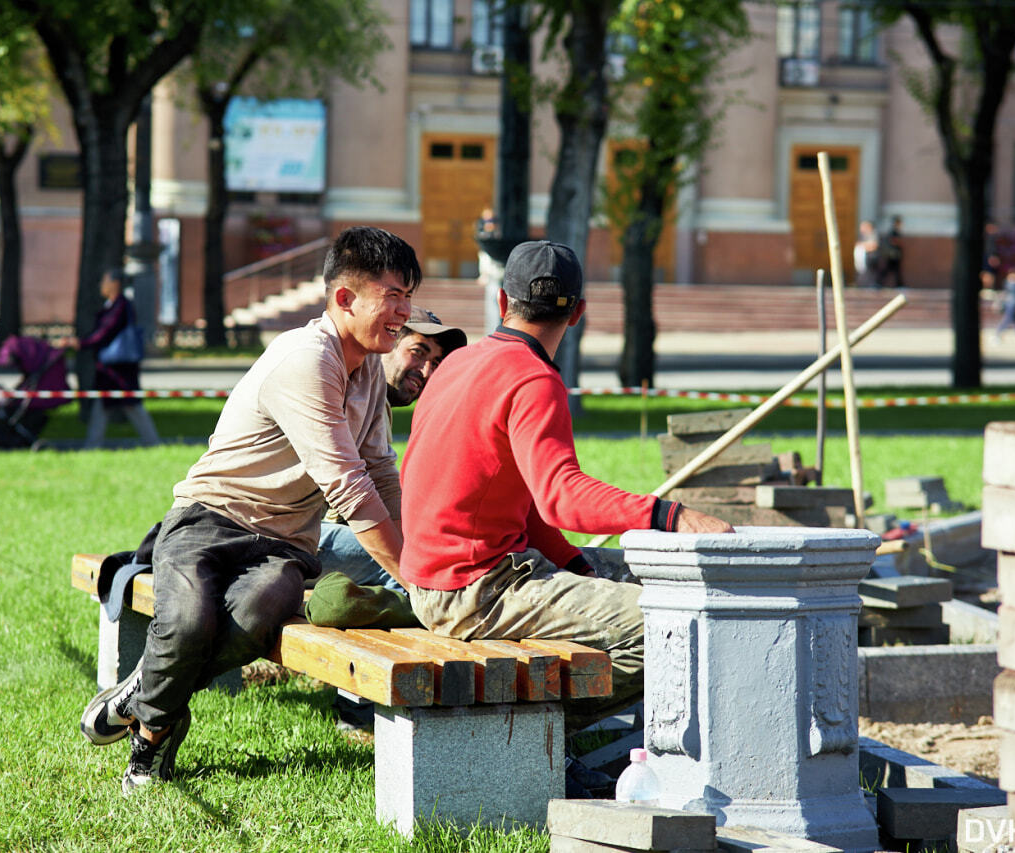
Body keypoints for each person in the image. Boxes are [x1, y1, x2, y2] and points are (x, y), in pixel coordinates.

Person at [78, 226, 421, 794]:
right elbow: (348, 485)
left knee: (259, 615)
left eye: (408, 295)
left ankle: (144, 695)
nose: (404, 311)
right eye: (393, 296)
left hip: (285, 544)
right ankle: (151, 745)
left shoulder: (366, 371)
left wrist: (418, 551)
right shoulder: (306, 359)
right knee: (188, 621)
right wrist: (414, 575)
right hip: (209, 520)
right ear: (344, 298)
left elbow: (381, 472)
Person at [397, 240, 734, 740]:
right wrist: (670, 515)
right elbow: (561, 497)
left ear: (503, 303)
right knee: (677, 627)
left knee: (632, 593)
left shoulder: (456, 365)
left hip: (432, 581)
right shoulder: (532, 378)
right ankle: (525, 739)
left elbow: (524, 504)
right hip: (475, 592)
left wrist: (577, 566)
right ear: (578, 314)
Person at [315, 305, 468, 591]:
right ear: (386, 345)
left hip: (310, 534)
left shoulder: (375, 401)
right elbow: (348, 499)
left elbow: (384, 486)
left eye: (435, 363)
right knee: (426, 569)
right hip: (282, 535)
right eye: (418, 353)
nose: (426, 372)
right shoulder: (350, 390)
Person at [64, 268, 160, 449]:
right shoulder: (112, 305)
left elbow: (105, 331)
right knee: (104, 404)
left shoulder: (121, 305)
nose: (101, 285)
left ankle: (152, 443)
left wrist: (82, 343)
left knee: (130, 404)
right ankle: (93, 445)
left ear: (115, 284)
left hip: (120, 366)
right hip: (110, 367)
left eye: (104, 281)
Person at [993, 267, 1015, 343]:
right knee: (1007, 320)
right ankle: (998, 335)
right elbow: (1006, 293)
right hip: (1009, 304)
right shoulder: (1008, 283)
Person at [853, 220, 882, 289]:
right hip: (865, 257)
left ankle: (871, 285)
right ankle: (864, 284)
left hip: (873, 256)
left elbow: (874, 245)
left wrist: (864, 246)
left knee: (872, 272)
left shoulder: (874, 234)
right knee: (864, 271)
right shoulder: (863, 236)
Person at [882, 215, 905, 289]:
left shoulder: (896, 231)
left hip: (895, 254)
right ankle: (878, 283)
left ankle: (899, 284)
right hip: (892, 254)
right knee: (889, 270)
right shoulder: (893, 231)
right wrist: (899, 242)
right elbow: (893, 241)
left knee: (895, 270)